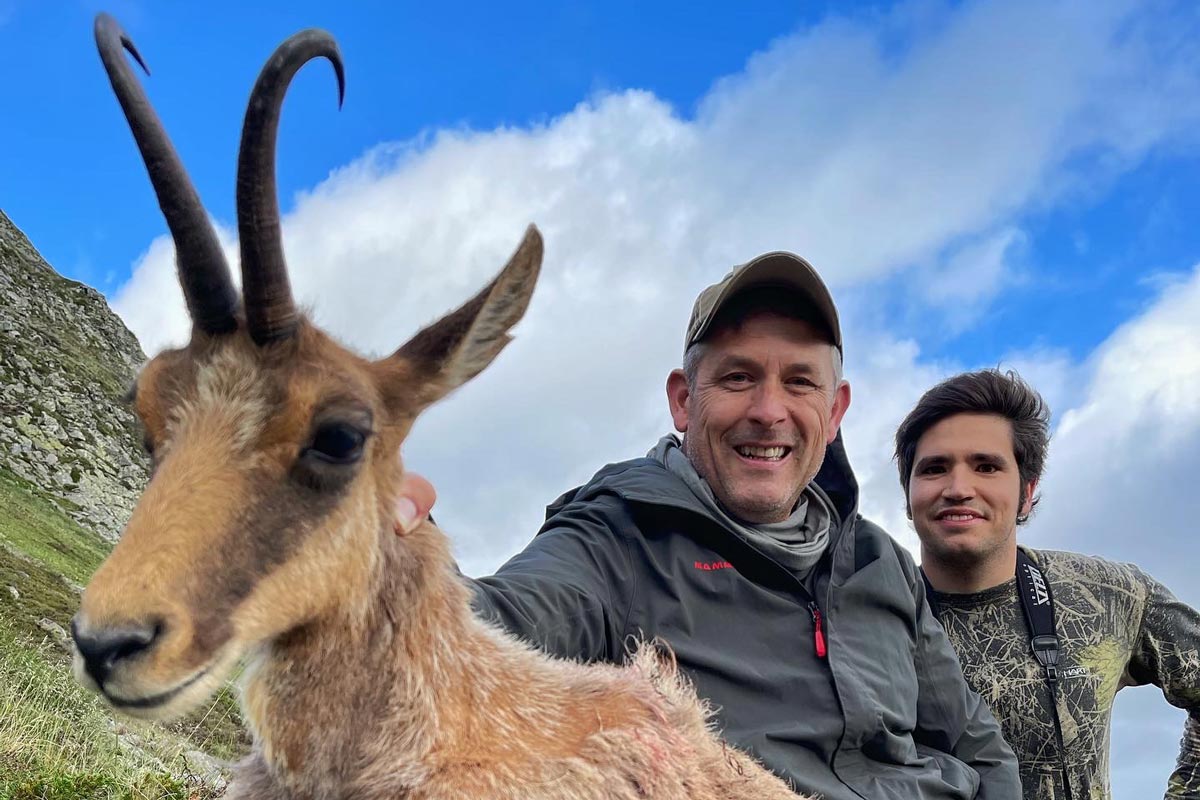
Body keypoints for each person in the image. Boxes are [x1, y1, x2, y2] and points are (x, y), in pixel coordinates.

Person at [396, 253, 1020, 798]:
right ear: (683, 400)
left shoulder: (879, 559)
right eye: (738, 377)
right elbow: (485, 632)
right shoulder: (615, 537)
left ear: (835, 412)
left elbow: (977, 746)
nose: (769, 411)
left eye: (799, 382)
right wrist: (394, 552)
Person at [894, 369, 1200, 799]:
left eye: (986, 466)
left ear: (1026, 491)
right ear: (908, 493)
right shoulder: (870, 617)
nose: (959, 488)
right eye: (934, 468)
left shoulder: (1108, 594)